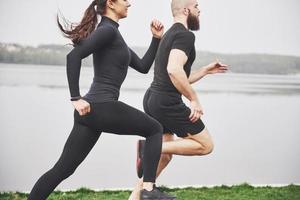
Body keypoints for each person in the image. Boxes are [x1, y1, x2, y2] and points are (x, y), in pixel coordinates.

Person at [27, 0, 175, 199]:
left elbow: (142, 66)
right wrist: (75, 98)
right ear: (111, 3)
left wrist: (156, 39)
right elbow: (74, 57)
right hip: (100, 105)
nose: (129, 3)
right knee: (155, 128)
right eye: (125, 0)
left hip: (91, 112)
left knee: (63, 169)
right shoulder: (107, 31)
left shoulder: (114, 35)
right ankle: (148, 190)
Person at [129, 0, 229, 199]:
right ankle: (149, 146)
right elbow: (174, 70)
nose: (199, 10)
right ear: (186, 10)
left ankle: (136, 196)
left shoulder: (168, 35)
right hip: (166, 102)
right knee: (205, 145)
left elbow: (175, 76)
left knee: (164, 157)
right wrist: (194, 99)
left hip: (153, 99)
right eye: (196, 6)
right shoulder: (185, 35)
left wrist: (204, 71)